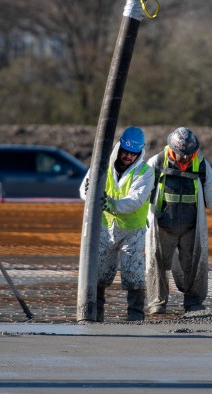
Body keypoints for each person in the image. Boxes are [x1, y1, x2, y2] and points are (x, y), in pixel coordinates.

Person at [145, 127, 212, 314]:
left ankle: (194, 302)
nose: (184, 158)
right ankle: (157, 303)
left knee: (194, 264)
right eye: (180, 154)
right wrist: (140, 218)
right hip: (162, 226)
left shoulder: (202, 165)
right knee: (155, 263)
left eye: (188, 154)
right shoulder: (157, 162)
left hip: (191, 226)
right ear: (172, 148)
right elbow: (142, 191)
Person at [79, 126, 154, 322]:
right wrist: (89, 193)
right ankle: (94, 315)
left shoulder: (145, 172)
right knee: (99, 273)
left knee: (133, 273)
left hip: (132, 231)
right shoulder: (101, 167)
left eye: (133, 153)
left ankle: (135, 317)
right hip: (105, 228)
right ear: (118, 148)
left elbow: (135, 200)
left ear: (140, 152)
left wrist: (110, 204)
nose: (128, 156)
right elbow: (83, 190)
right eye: (125, 151)